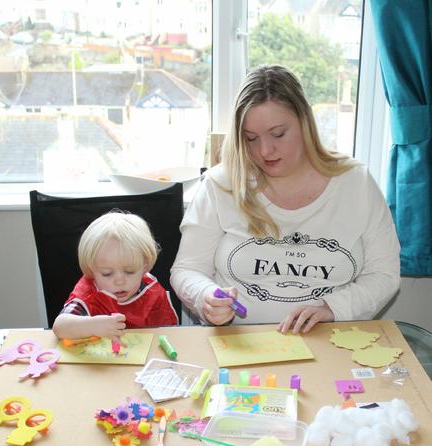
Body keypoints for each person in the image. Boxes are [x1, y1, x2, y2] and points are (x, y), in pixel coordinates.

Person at [170, 64, 400, 333]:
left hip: (330, 343)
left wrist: (333, 308)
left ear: (305, 122)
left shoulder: (356, 183)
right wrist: (205, 296)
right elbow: (186, 269)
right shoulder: (221, 185)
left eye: (278, 134)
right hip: (238, 343)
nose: (265, 150)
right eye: (251, 138)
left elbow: (384, 275)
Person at [52, 211, 178, 340]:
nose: (119, 281)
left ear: (144, 266)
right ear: (92, 270)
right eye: (107, 273)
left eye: (129, 271)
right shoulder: (89, 293)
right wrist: (92, 326)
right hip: (99, 359)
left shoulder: (151, 291)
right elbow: (59, 327)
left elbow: (170, 334)